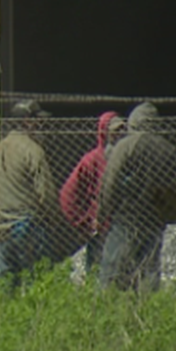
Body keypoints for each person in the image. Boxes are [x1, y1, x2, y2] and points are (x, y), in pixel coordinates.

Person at [97, 102, 176, 292]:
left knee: (112, 267)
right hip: (156, 218)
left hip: (126, 216)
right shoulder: (169, 149)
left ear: (134, 121)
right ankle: (147, 302)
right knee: (149, 267)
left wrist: (103, 212)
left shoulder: (125, 146)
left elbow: (110, 180)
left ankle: (107, 301)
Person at [0, 99, 68, 289]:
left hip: (1, 228)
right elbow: (46, 193)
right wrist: (58, 222)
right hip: (27, 226)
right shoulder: (33, 150)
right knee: (37, 281)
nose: (41, 126)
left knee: (6, 285)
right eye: (38, 121)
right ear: (28, 122)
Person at [59, 111, 127, 274]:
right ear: (104, 132)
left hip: (123, 223)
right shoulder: (91, 160)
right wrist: (84, 221)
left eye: (122, 130)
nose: (119, 134)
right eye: (115, 131)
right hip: (101, 227)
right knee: (98, 269)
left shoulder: (127, 156)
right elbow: (68, 195)